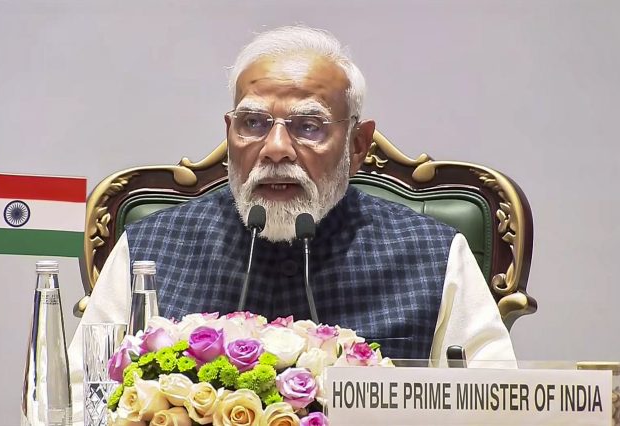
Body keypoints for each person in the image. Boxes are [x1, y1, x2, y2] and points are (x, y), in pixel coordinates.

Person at [68, 25, 514, 421]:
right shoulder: (150, 247)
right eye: (253, 123)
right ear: (229, 133)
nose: (275, 148)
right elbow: (78, 402)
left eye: (309, 126)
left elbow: (496, 405)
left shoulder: (432, 253)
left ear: (357, 145)